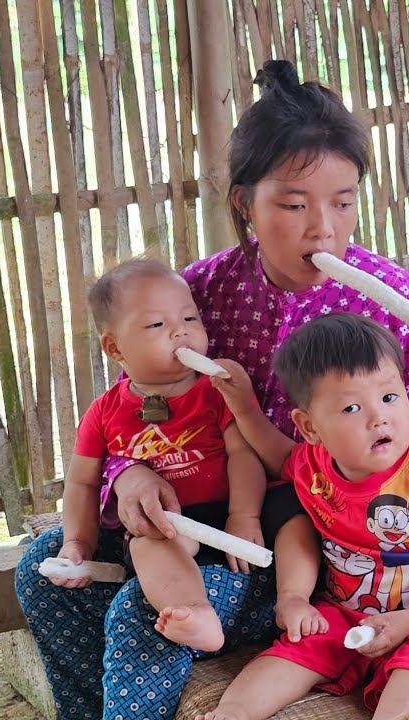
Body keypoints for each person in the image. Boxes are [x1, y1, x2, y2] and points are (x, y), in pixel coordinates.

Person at [15, 58, 409, 720]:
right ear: (244, 203)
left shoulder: (395, 308)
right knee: (42, 573)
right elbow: (138, 405)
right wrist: (126, 476)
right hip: (185, 513)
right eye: (293, 205)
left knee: (143, 609)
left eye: (343, 202)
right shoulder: (198, 296)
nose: (322, 229)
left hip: (302, 543)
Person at [198, 313, 409, 720]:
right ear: (310, 427)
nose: (378, 417)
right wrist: (294, 599)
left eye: (389, 397)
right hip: (340, 613)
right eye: (352, 407)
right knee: (287, 653)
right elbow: (280, 455)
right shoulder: (312, 466)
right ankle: (230, 714)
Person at [53, 258, 269, 654]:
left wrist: (244, 516)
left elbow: (244, 456)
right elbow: (82, 482)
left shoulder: (215, 390)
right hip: (161, 527)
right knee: (146, 542)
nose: (180, 331)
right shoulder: (104, 411)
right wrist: (77, 543)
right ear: (115, 347)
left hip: (224, 519)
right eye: (156, 325)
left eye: (190, 318)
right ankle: (193, 613)